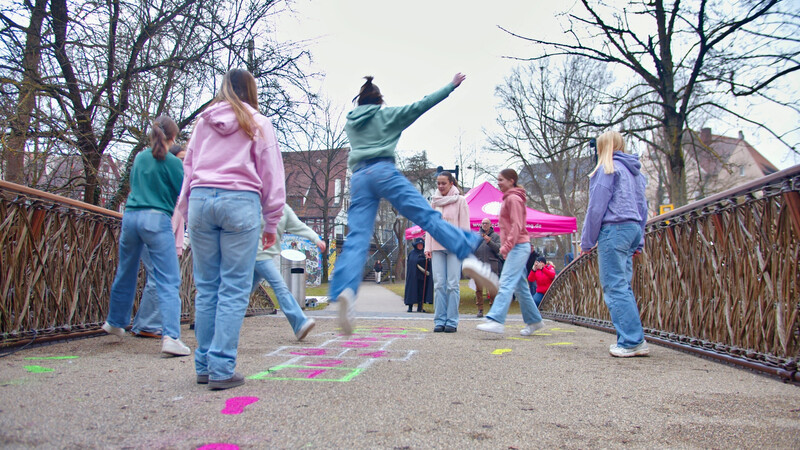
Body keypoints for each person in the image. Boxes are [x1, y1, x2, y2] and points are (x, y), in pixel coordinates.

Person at [329, 73, 498, 336]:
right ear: (378, 102)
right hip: (384, 171)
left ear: (359, 102)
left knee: (357, 238)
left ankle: (344, 292)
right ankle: (466, 253)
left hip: (360, 178)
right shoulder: (387, 116)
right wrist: (450, 87)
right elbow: (422, 105)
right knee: (428, 217)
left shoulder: (352, 123)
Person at [176, 69, 285, 390]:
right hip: (240, 201)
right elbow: (272, 175)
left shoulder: (202, 123)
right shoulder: (258, 123)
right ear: (251, 90)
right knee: (234, 289)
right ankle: (222, 367)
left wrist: (184, 209)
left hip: (200, 200)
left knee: (207, 288)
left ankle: (204, 365)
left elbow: (189, 166)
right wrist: (272, 221)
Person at [101, 115, 191, 357]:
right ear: (174, 137)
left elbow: (132, 185)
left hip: (130, 218)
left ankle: (115, 321)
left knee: (126, 271)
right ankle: (171, 336)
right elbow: (182, 197)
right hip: (156, 219)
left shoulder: (140, 157)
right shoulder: (174, 164)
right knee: (168, 279)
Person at [580, 130, 649, 358]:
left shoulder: (607, 169)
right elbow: (643, 207)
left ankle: (631, 341)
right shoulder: (634, 172)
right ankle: (632, 338)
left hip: (614, 229)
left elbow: (596, 208)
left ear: (602, 147)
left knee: (614, 286)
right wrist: (639, 241)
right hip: (632, 229)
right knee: (624, 285)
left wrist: (587, 241)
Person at [477, 169, 546, 336]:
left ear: (511, 180)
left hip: (518, 246)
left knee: (506, 282)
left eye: (501, 180)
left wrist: (506, 246)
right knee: (521, 287)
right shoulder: (510, 199)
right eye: (498, 180)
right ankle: (534, 321)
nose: (498, 183)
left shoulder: (513, 199)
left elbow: (517, 226)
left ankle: (496, 320)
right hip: (517, 246)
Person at [131, 144, 187, 339]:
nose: (183, 163)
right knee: (159, 278)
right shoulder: (169, 182)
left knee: (158, 278)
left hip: (161, 235)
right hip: (157, 234)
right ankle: (147, 325)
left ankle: (145, 323)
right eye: (180, 159)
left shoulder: (178, 181)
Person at [252, 204, 324, 341]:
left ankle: (220, 321)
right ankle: (299, 323)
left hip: (264, 256)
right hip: (258, 255)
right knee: (280, 287)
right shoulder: (256, 204)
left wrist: (316, 239)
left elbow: (298, 226)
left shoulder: (283, 209)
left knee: (242, 294)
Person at [425, 171, 469, 333]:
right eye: (438, 183)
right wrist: (427, 247)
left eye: (444, 183)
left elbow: (464, 227)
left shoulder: (460, 201)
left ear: (451, 183)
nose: (440, 186)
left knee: (452, 285)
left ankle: (451, 320)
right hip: (436, 247)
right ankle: (439, 320)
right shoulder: (434, 202)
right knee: (439, 285)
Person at [474, 217, 502, 318]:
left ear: (490, 225)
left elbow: (498, 249)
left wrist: (489, 242)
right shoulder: (477, 236)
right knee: (479, 289)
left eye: (486, 223)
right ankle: (480, 309)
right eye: (482, 223)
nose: (484, 225)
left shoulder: (495, 236)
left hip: (491, 265)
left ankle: (493, 309)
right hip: (479, 265)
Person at [403, 238, 432, 313]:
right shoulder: (412, 253)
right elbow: (411, 263)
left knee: (421, 292)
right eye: (418, 245)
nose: (420, 246)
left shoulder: (425, 253)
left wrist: (426, 260)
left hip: (422, 277)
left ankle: (420, 307)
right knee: (412, 291)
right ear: (416, 245)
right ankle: (410, 307)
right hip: (413, 276)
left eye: (421, 245)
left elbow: (429, 264)